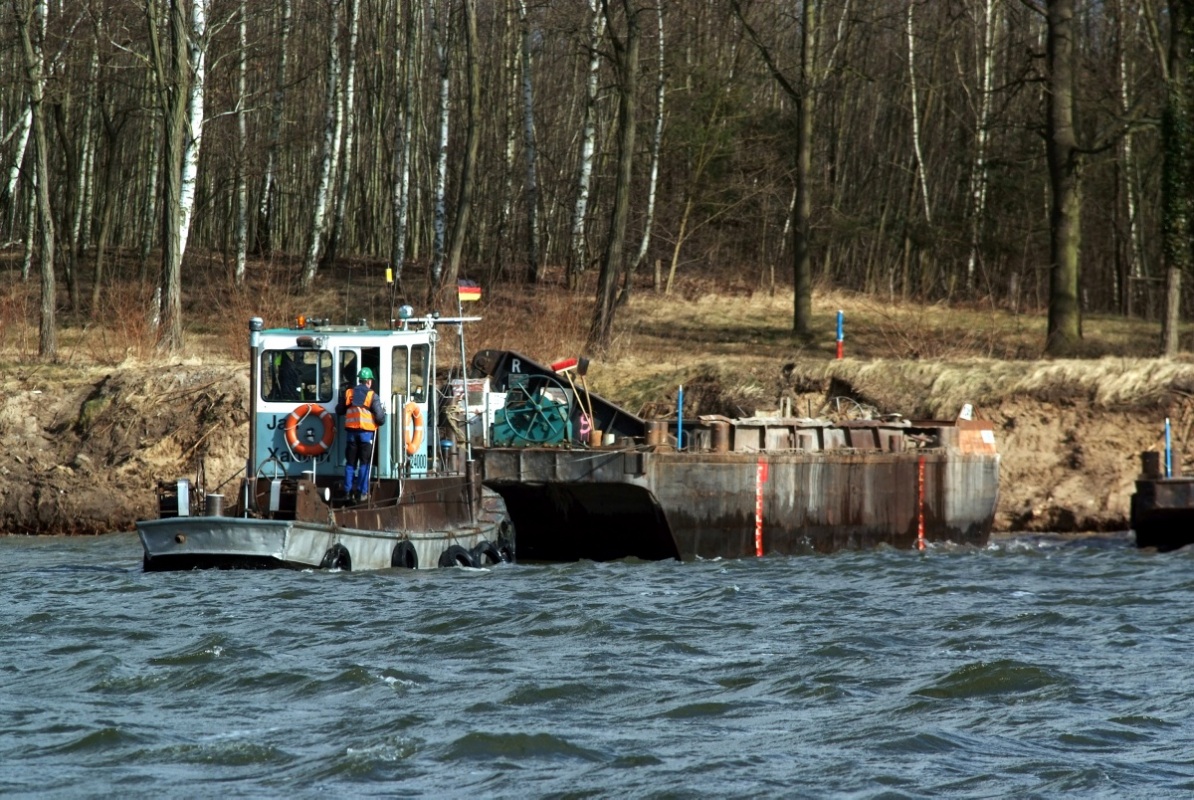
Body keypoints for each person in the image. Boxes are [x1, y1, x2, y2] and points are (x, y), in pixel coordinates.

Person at [336, 366, 386, 504]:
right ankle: (361, 492)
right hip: (365, 436)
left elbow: (339, 410)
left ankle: (347, 492)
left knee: (350, 463)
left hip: (351, 435)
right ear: (369, 381)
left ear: (359, 380)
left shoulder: (349, 394)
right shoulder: (372, 396)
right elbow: (381, 419)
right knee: (364, 463)